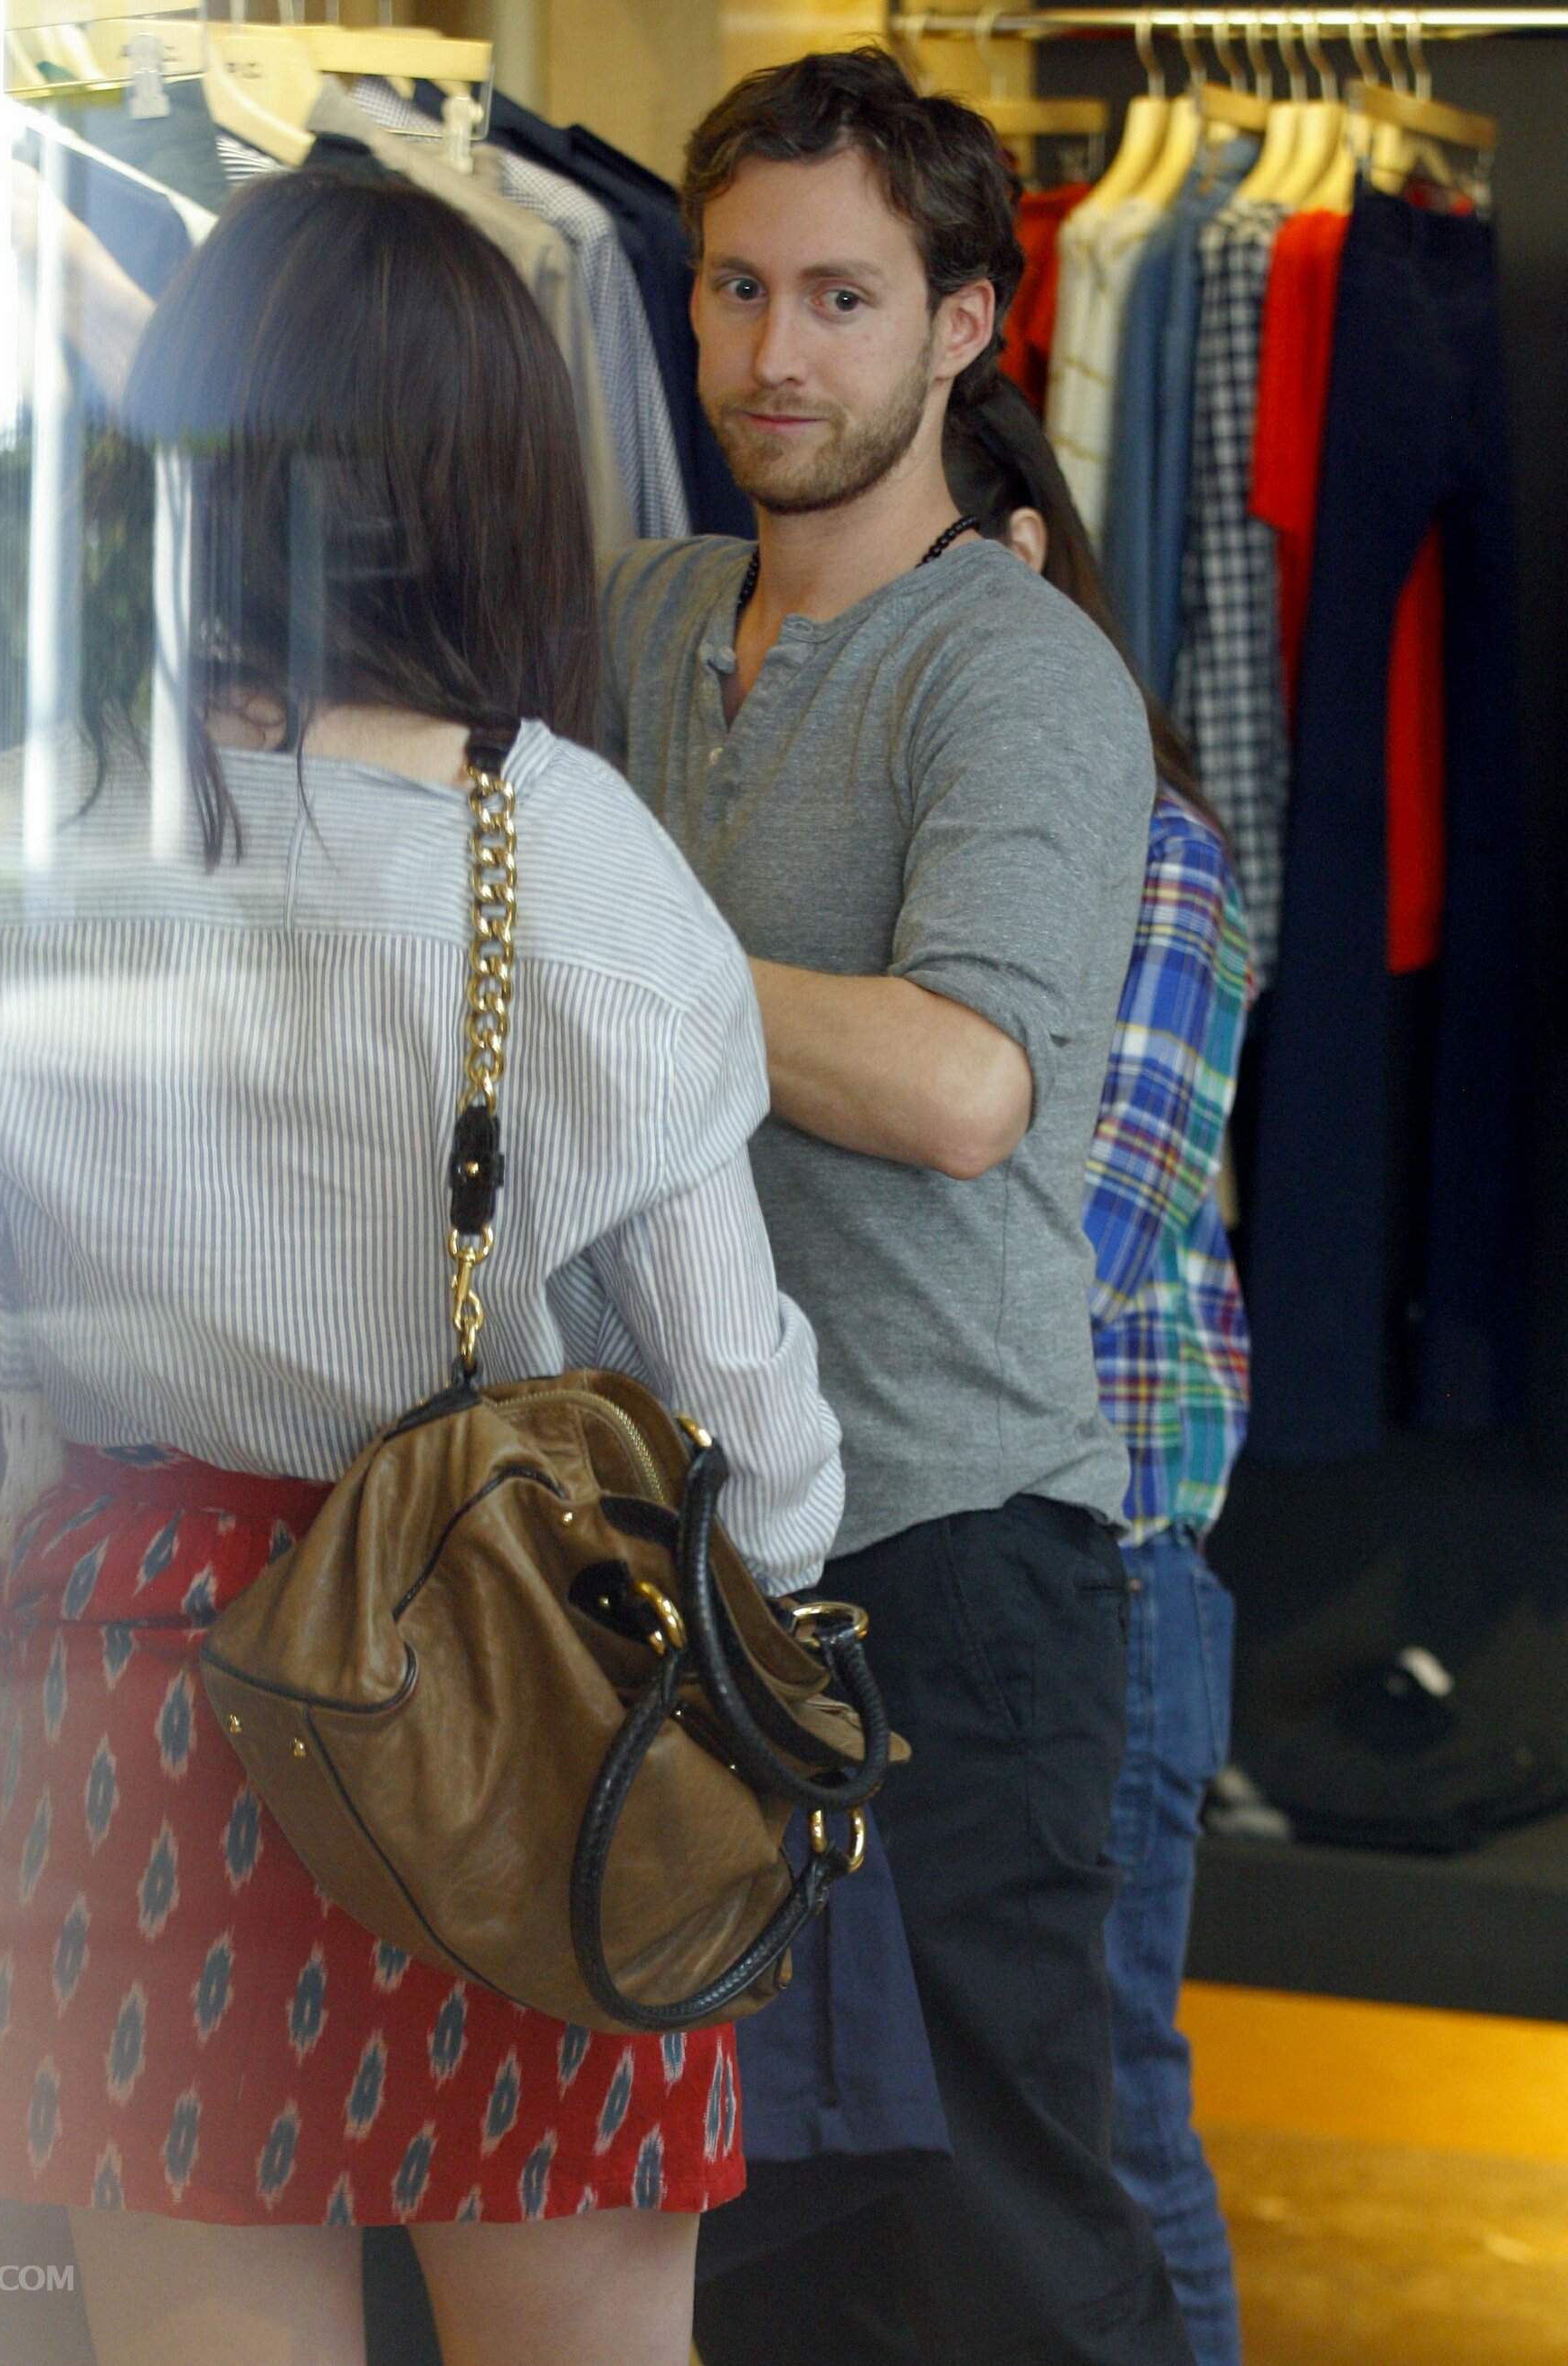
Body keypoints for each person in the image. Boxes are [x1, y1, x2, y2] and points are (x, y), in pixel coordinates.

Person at [0, 171, 845, 2366]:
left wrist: (35, 1571)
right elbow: (760, 1453)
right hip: (541, 1734)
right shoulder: (590, 873)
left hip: (150, 1718)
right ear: (497, 485)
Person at [601, 47, 1194, 2366]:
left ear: (966, 321)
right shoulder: (632, 613)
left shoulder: (1009, 665)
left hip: (950, 1568)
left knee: (1004, 2260)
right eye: (736, 288)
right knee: (732, 2243)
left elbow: (961, 1086)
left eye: (839, 297)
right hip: (654, 1557)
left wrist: (612, 957)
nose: (770, 354)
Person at [947, 379, 1251, 2366]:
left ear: (1028, 557)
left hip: (1112, 1556)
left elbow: (1099, 1232)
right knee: (975, 2130)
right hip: (941, 1552)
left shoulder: (1154, 853)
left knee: (1106, 2111)